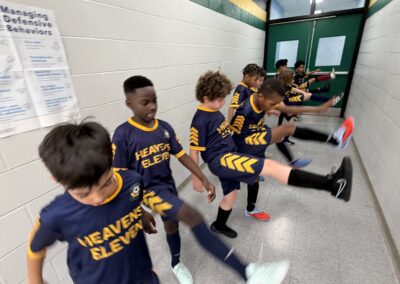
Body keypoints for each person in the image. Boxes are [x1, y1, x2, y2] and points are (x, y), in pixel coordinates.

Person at [28, 121, 290, 284]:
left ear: (112, 160)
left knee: (190, 215)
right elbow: (35, 248)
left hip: (143, 276)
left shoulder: (130, 181)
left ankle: (248, 272)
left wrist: (140, 212)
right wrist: (34, 280)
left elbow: (139, 198)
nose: (98, 197)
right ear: (56, 179)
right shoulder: (56, 215)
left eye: (106, 183)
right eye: (84, 193)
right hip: (94, 280)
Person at [112, 75, 288, 284]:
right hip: (148, 191)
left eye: (154, 100)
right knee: (192, 215)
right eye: (145, 103)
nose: (152, 107)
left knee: (172, 226)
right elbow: (119, 178)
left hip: (167, 186)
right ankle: (248, 272)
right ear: (129, 104)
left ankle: (176, 263)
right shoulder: (123, 134)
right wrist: (138, 210)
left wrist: (202, 177)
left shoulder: (164, 128)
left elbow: (183, 155)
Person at [190, 71, 353, 239]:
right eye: (219, 100)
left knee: (231, 196)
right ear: (205, 97)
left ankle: (219, 225)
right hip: (222, 159)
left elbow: (227, 133)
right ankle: (332, 184)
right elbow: (193, 151)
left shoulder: (213, 111)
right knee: (271, 166)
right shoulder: (200, 120)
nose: (223, 103)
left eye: (223, 98)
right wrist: (198, 178)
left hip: (230, 153)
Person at [231, 79, 354, 221]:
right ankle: (336, 141)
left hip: (257, 136)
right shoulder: (244, 110)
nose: (275, 107)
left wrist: (318, 109)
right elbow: (233, 134)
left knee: (256, 177)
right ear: (261, 97)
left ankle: (251, 209)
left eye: (275, 104)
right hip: (246, 143)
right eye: (272, 104)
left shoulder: (262, 99)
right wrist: (235, 161)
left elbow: (288, 109)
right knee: (287, 128)